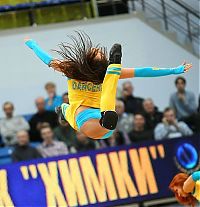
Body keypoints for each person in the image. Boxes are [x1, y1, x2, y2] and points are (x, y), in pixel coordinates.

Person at [25, 31, 192, 140]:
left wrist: (173, 70)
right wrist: (32, 45)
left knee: (109, 81)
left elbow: (143, 71)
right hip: (87, 117)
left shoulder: (100, 70)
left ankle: (76, 110)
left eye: (101, 53)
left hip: (103, 116)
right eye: (97, 52)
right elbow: (48, 60)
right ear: (88, 58)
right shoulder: (72, 68)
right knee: (107, 85)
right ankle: (73, 110)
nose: (99, 51)